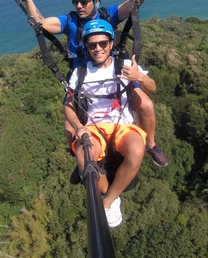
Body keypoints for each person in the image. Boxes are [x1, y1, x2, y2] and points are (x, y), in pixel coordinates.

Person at [12, 0, 168, 167]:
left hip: (112, 71)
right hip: (83, 77)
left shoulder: (108, 15)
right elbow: (40, 23)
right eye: (75, 2)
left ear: (96, 2)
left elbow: (135, 2)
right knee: (69, 127)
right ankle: (83, 160)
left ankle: (151, 144)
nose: (79, 6)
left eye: (84, 2)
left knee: (146, 105)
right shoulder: (70, 21)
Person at [64, 19, 156, 227]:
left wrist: (139, 76)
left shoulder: (124, 66)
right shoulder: (80, 73)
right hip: (94, 127)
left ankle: (108, 201)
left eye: (103, 43)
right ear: (86, 47)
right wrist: (79, 128)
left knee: (137, 151)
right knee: (83, 157)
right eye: (92, 45)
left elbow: (152, 88)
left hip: (122, 125)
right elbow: (68, 105)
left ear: (111, 43)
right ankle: (108, 192)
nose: (98, 49)